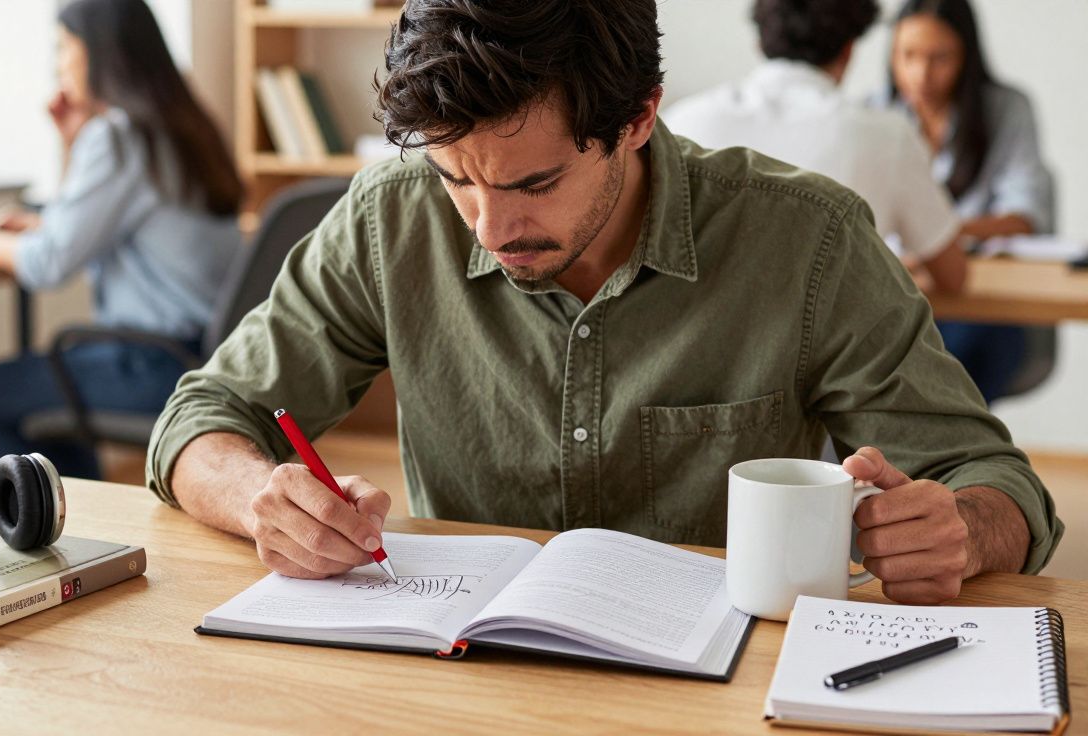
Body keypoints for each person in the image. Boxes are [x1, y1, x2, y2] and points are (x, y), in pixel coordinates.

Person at [148, 0, 1062, 604]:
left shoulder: (808, 241)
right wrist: (257, 497)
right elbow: (201, 417)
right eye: (457, 179)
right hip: (456, 685)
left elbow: (998, 482)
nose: (488, 227)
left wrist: (962, 531)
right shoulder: (392, 217)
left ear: (638, 118)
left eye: (534, 182)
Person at [0, 0, 244, 480]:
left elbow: (49, 263)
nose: (58, 65)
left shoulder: (117, 136)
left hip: (151, 365)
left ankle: (61, 512)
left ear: (98, 53)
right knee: (37, 394)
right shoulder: (182, 126)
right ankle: (75, 505)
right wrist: (73, 143)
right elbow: (108, 225)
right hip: (206, 357)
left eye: (62, 50)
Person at [663, 0, 967, 294]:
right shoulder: (887, 135)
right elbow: (953, 276)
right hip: (829, 343)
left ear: (759, 42)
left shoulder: (678, 123)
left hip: (693, 341)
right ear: (849, 51)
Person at [876, 0, 1056, 402]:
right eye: (908, 56)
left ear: (967, 56)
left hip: (982, 308)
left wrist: (936, 236)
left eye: (940, 57)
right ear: (891, 55)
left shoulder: (1006, 109)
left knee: (945, 367)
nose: (921, 74)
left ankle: (951, 464)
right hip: (898, 298)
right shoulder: (873, 117)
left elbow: (1025, 213)